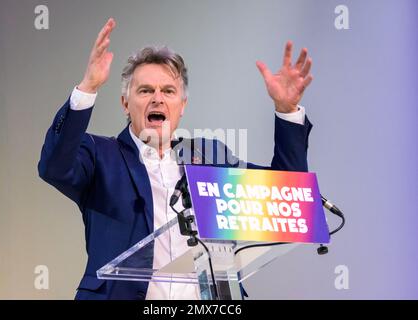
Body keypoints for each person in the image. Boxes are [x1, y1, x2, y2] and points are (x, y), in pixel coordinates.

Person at [38, 18, 314, 300]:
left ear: (182, 105)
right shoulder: (100, 155)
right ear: (125, 103)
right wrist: (88, 87)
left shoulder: (210, 158)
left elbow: (289, 196)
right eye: (145, 90)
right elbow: (54, 166)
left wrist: (286, 109)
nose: (157, 98)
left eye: (168, 91)